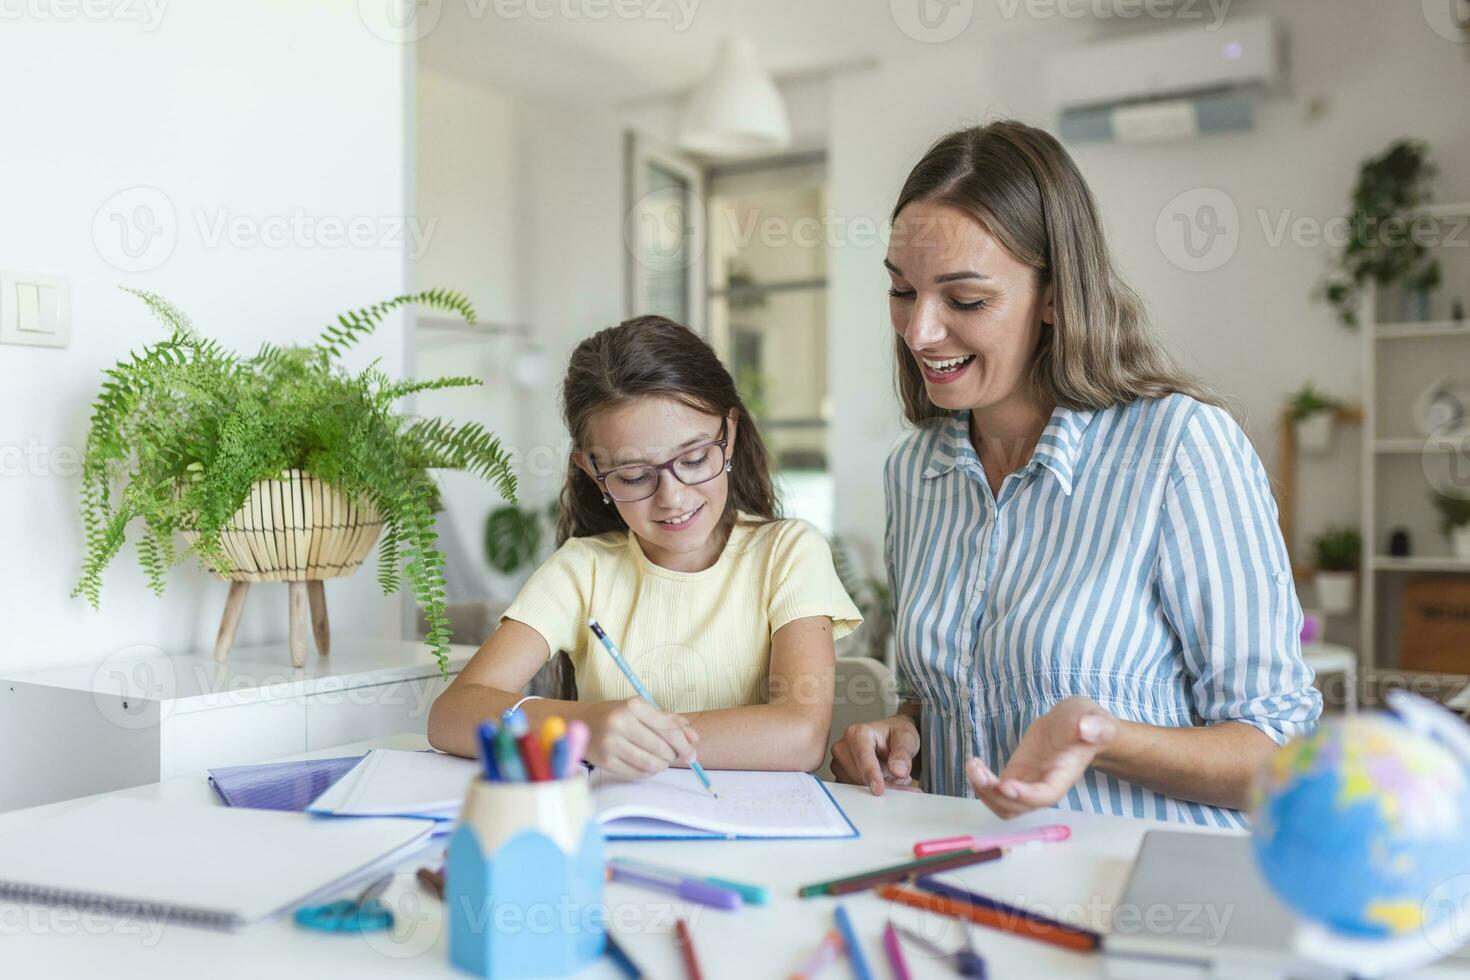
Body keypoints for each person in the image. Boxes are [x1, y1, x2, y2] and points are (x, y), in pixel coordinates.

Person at [829, 121, 1321, 827]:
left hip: (1138, 897)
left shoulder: (1179, 447)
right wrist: (902, 732)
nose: (919, 332)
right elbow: (937, 693)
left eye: (965, 300)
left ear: (1057, 297)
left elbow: (1281, 756)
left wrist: (1103, 740)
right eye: (903, 291)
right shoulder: (917, 472)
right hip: (965, 881)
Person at [429, 315, 862, 778]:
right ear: (593, 471)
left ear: (729, 433)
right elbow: (452, 715)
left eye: (694, 458)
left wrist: (638, 737)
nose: (672, 497)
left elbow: (798, 737)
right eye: (634, 475)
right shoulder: (582, 570)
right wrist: (588, 728)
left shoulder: (787, 553)